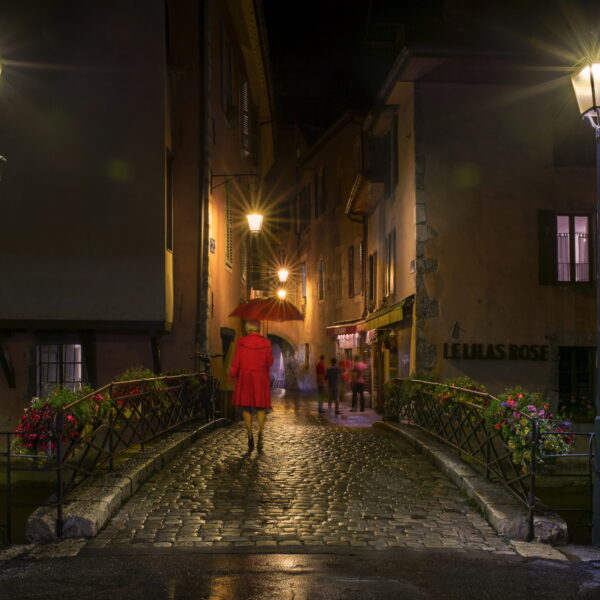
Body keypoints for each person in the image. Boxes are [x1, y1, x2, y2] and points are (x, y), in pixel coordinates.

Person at [230, 320, 273, 451]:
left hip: (245, 378)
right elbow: (269, 362)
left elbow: (237, 360)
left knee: (246, 407)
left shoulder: (241, 342)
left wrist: (232, 374)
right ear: (258, 329)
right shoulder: (266, 343)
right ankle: (260, 433)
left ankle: (250, 435)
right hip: (260, 377)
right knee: (261, 408)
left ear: (247, 329)